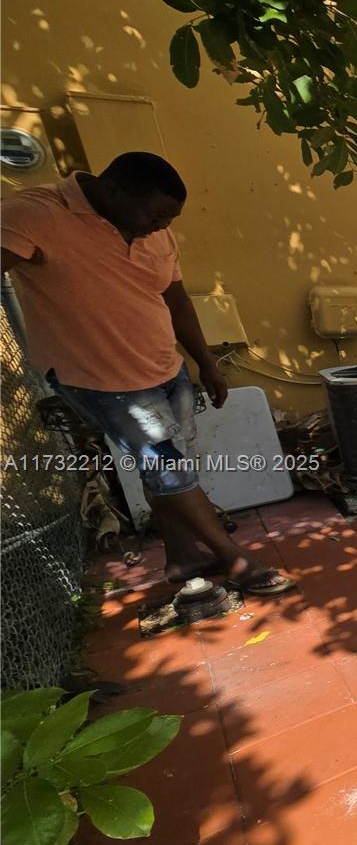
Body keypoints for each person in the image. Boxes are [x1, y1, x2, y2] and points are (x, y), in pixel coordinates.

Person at [1, 152, 294, 594]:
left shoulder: (157, 232)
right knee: (167, 465)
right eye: (156, 215)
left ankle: (183, 557)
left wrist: (206, 362)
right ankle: (236, 560)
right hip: (100, 378)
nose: (161, 227)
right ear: (114, 190)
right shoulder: (33, 214)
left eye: (169, 219)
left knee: (172, 468)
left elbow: (176, 299)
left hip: (163, 367)